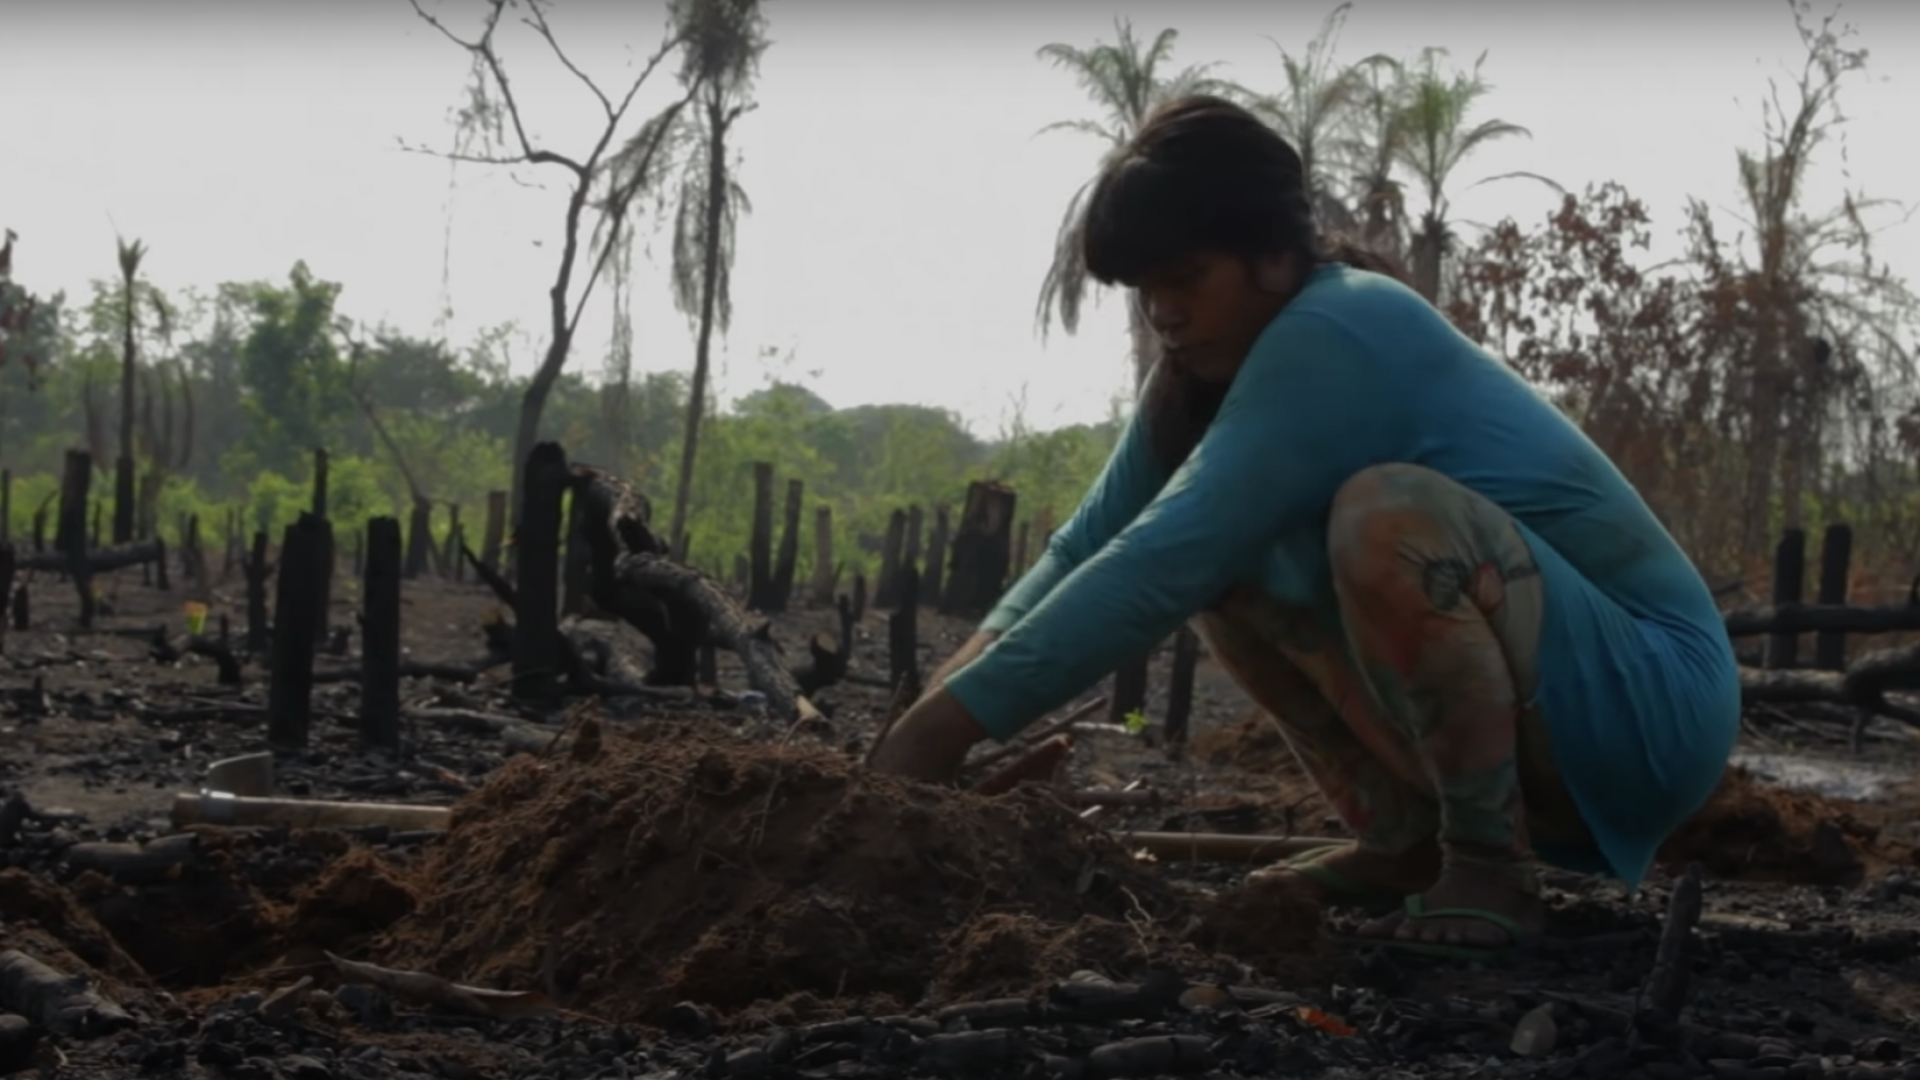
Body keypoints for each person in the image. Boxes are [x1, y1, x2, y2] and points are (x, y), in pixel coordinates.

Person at [867, 94, 1741, 958]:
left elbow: (1167, 557)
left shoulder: (1345, 322)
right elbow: (1085, 547)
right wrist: (929, 720)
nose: (1162, 312)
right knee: (1232, 554)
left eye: (1186, 279)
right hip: (1562, 697)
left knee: (1383, 515)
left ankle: (1487, 867)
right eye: (1145, 292)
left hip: (1655, 705)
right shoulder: (1198, 384)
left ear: (1276, 258)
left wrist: (941, 736)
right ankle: (1404, 840)